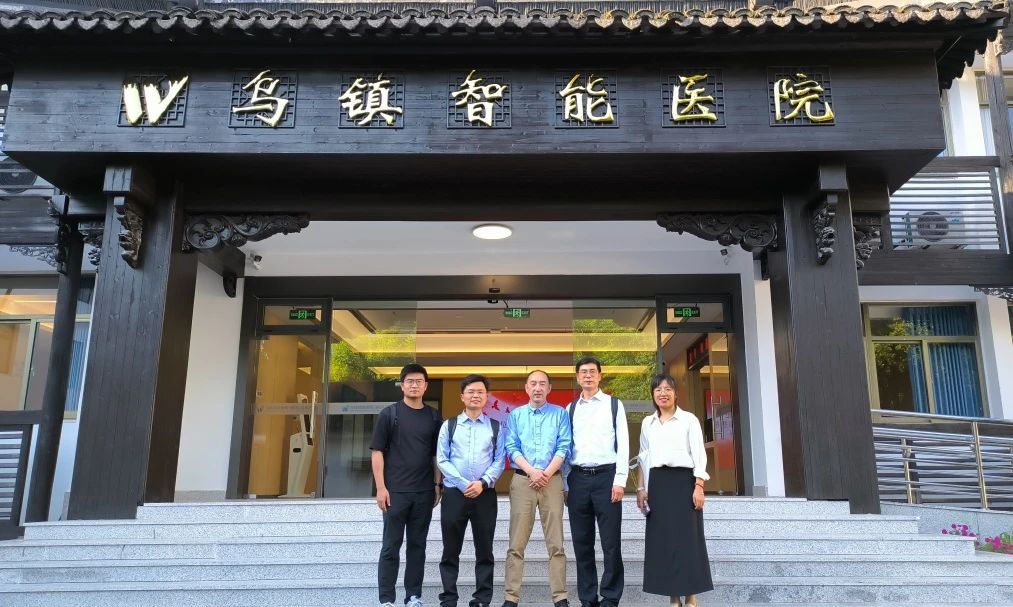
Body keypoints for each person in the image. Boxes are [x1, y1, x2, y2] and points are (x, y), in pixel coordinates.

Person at [370, 363, 444, 607]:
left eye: (419, 381)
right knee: (391, 546)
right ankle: (386, 599)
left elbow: (436, 455)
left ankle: (413, 596)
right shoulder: (389, 414)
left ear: (426, 386)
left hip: (423, 492)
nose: (414, 385)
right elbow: (377, 452)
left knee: (417, 547)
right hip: (395, 492)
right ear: (402, 385)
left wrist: (437, 484)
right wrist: (381, 488)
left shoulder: (434, 416)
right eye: (410, 381)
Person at [636, 373, 713, 607]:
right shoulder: (648, 423)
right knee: (664, 541)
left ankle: (691, 596)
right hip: (658, 484)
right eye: (658, 389)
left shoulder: (689, 420)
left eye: (668, 389)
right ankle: (674, 597)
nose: (663, 393)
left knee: (689, 539)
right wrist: (641, 488)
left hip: (684, 482)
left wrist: (699, 486)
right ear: (653, 394)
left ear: (676, 393)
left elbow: (699, 454)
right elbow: (643, 457)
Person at [502, 370, 573, 607]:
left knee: (556, 544)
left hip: (552, 481)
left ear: (549, 388)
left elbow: (564, 446)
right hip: (523, 481)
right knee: (516, 544)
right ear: (526, 387)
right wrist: (532, 472)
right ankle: (511, 597)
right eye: (533, 383)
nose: (538, 388)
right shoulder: (516, 415)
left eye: (542, 384)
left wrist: (546, 473)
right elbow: (511, 447)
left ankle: (560, 597)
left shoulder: (560, 414)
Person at [437, 374, 507, 607]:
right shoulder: (449, 426)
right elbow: (442, 459)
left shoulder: (495, 426)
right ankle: (449, 598)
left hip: (484, 495)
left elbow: (500, 460)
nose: (475, 395)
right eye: (471, 392)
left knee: (485, 551)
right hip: (454, 495)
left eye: (480, 392)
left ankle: (482, 599)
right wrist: (463, 484)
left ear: (486, 397)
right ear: (462, 396)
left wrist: (482, 483)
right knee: (450, 550)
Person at [566, 356, 629, 607]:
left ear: (600, 376)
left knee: (611, 543)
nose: (588, 376)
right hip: (578, 479)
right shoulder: (570, 409)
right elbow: (566, 448)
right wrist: (566, 485)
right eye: (583, 372)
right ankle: (588, 597)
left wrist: (620, 480)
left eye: (592, 371)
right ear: (577, 377)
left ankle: (611, 596)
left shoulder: (614, 405)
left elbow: (623, 444)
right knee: (582, 543)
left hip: (607, 478)